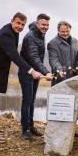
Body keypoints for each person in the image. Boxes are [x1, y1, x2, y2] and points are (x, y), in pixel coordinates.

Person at [0, 12, 44, 143]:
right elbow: (14, 56)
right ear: (12, 21)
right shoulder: (6, 34)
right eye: (18, 23)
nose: (20, 26)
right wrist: (31, 71)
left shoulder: (12, 31)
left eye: (23, 25)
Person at [19, 13, 53, 141]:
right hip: (26, 71)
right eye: (43, 24)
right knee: (27, 100)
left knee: (32, 100)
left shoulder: (41, 35)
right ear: (37, 24)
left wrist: (42, 71)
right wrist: (46, 72)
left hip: (36, 72)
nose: (45, 27)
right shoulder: (30, 37)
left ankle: (31, 126)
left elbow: (38, 58)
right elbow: (34, 57)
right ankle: (25, 129)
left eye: (47, 25)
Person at [47, 20, 78, 136]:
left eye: (67, 31)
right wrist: (59, 69)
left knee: (72, 105)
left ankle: (71, 129)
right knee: (59, 106)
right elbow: (53, 59)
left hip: (73, 78)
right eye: (63, 32)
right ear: (58, 31)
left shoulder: (76, 42)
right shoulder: (52, 43)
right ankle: (57, 130)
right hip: (59, 79)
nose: (65, 34)